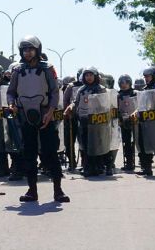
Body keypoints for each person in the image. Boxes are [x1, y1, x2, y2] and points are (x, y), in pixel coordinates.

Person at [8, 36, 69, 203]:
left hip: (45, 116)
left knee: (50, 154)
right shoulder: (17, 70)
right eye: (25, 50)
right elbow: (11, 92)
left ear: (37, 50)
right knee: (29, 154)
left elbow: (55, 92)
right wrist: (11, 104)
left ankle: (58, 190)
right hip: (26, 116)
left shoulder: (47, 68)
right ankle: (32, 190)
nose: (27, 53)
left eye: (31, 49)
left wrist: (50, 111)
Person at [66, 67, 109, 177]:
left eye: (91, 75)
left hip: (97, 121)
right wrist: (70, 107)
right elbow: (76, 102)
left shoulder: (101, 89)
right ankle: (87, 167)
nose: (89, 77)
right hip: (84, 120)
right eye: (86, 75)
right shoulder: (81, 90)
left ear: (95, 76)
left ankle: (99, 166)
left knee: (97, 144)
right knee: (84, 144)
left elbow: (104, 105)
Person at [117, 74, 137, 172]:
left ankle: (144, 163)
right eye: (121, 83)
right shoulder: (118, 95)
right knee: (126, 143)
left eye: (126, 82)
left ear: (130, 83)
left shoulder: (135, 93)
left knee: (138, 142)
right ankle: (129, 162)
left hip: (136, 121)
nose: (124, 85)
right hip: (123, 121)